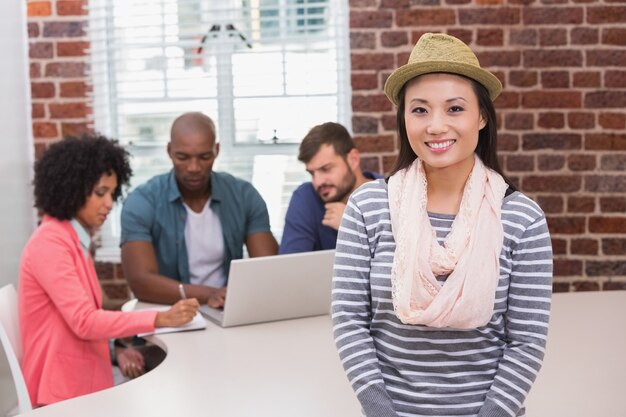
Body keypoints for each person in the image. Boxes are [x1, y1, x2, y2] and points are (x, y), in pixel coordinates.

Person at [331, 33, 553, 417]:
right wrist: (381, 411)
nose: (435, 126)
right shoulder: (368, 208)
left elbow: (526, 341)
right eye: (420, 110)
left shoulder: (522, 219)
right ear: (404, 117)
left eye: (454, 109)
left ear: (481, 116)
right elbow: (349, 320)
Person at [18, 134, 200, 407]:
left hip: (83, 379)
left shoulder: (71, 238)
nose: (109, 204)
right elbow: (84, 321)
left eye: (112, 194)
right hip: (59, 392)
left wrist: (120, 348)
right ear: (72, 188)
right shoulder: (50, 243)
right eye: (100, 193)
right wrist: (161, 319)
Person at [121, 112, 278, 308]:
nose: (194, 167)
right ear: (169, 151)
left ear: (217, 150)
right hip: (169, 311)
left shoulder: (243, 196)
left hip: (226, 308)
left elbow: (269, 270)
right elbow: (141, 283)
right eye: (183, 157)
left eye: (204, 157)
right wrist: (210, 294)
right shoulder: (143, 201)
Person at [280, 122, 381, 254]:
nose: (318, 182)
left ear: (353, 159)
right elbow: (290, 267)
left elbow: (401, 265)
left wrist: (353, 227)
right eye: (312, 173)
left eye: (326, 169)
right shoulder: (306, 197)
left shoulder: (391, 195)